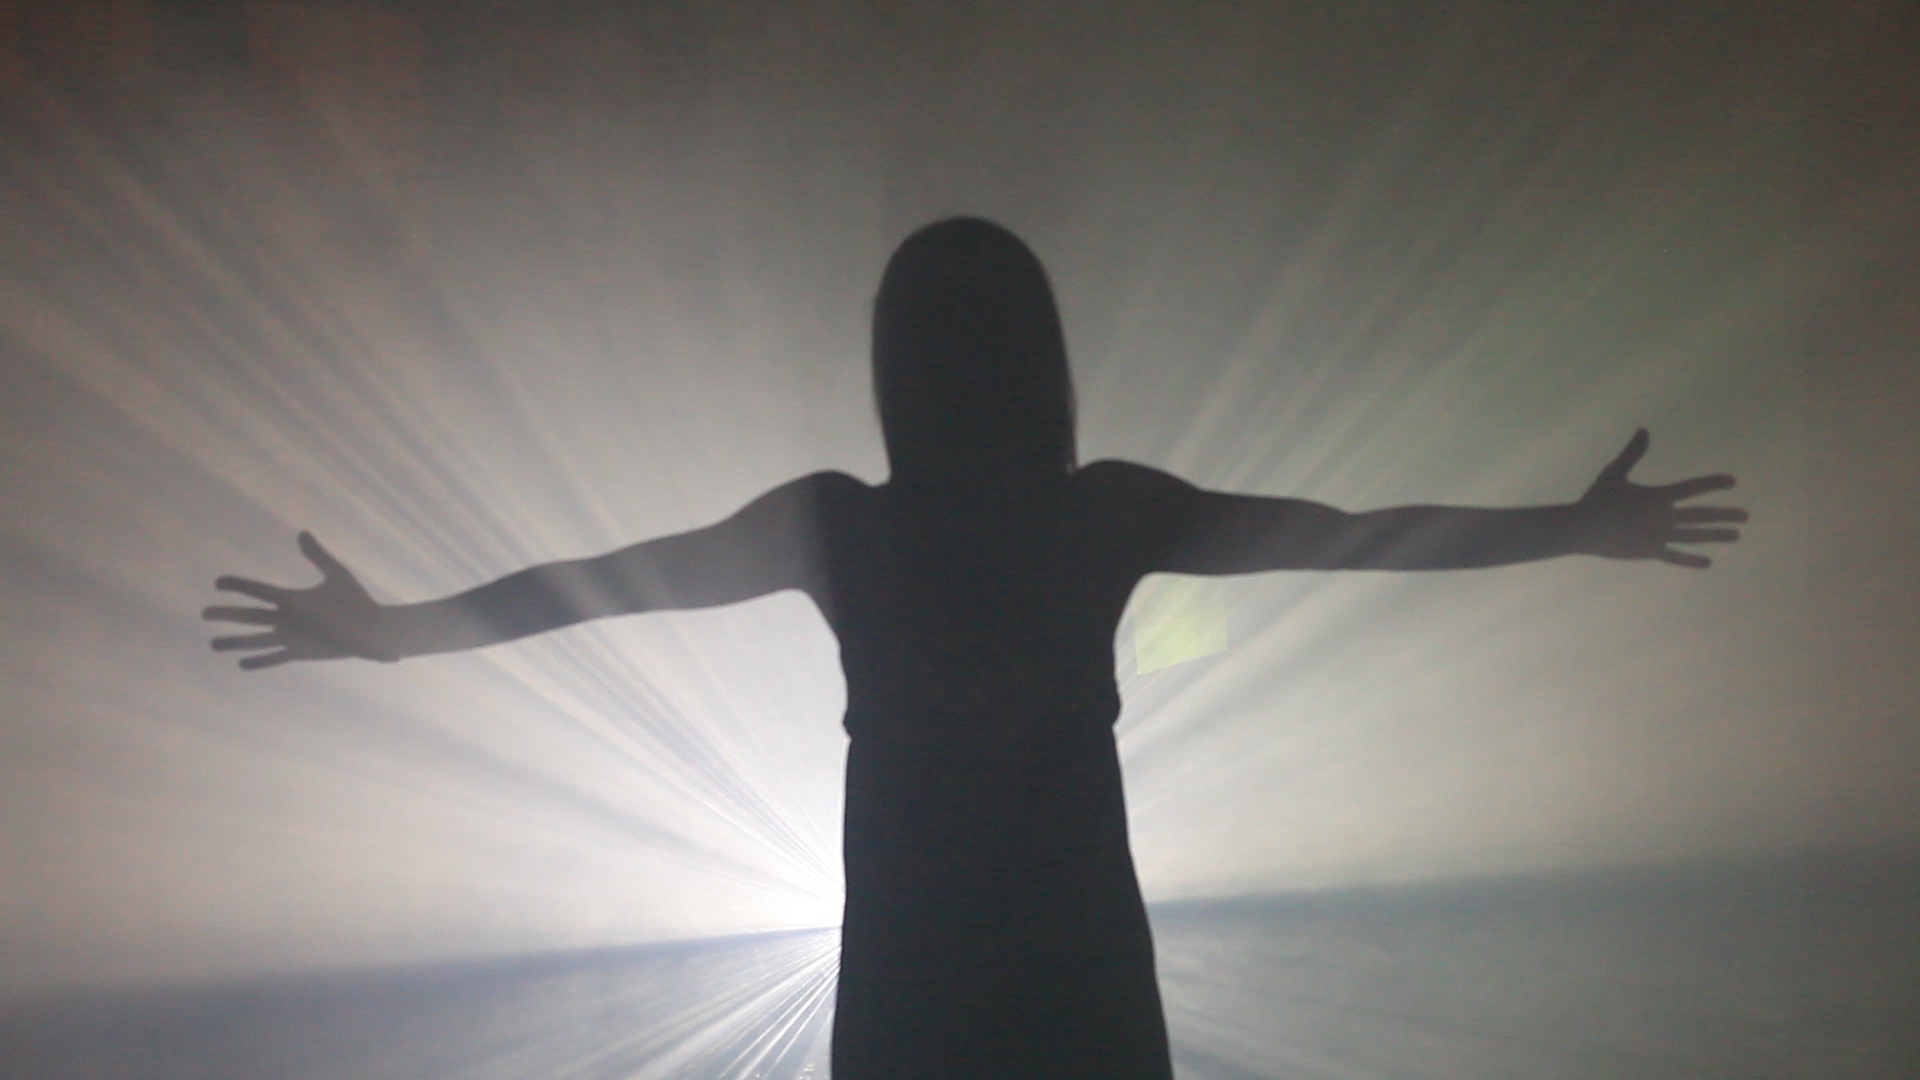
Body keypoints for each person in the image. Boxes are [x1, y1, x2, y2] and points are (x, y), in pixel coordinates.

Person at [204, 217, 1745, 1079]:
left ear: (897, 372)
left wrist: (397, 633)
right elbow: (1354, 535)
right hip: (1074, 978)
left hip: (919, 986)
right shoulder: (1100, 515)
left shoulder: (846, 528)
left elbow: (593, 589)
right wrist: (1570, 526)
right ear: (1042, 366)